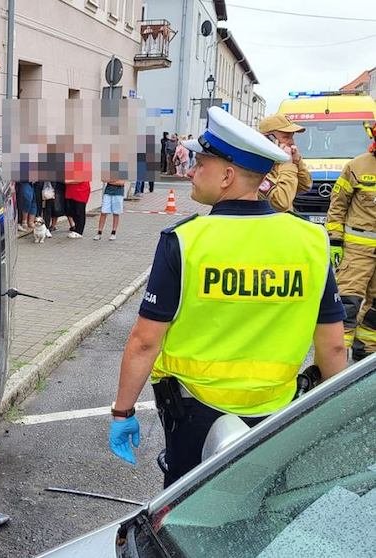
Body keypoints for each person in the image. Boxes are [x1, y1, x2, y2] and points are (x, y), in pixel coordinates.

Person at [108, 107, 347, 487]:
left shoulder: (185, 241)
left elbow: (144, 341)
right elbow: (333, 347)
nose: (190, 171)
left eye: (200, 163)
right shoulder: (311, 241)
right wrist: (337, 418)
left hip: (193, 413)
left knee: (186, 510)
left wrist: (122, 412)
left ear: (227, 176)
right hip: (277, 410)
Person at [325, 121, 376, 361]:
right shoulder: (357, 166)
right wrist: (335, 240)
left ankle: (364, 354)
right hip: (357, 249)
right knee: (348, 304)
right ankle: (334, 361)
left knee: (374, 310)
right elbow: (338, 206)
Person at [257, 114, 312, 212]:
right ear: (269, 139)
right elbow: (282, 202)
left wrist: (297, 162)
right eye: (286, 137)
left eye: (292, 137)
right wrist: (288, 164)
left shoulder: (278, 163)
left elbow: (305, 186)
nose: (292, 142)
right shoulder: (256, 167)